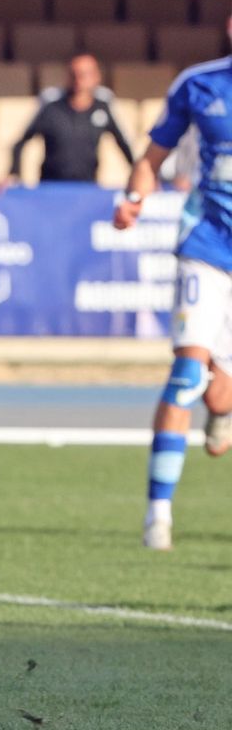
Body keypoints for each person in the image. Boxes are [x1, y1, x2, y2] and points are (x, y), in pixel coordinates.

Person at [113, 33, 232, 550]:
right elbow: (151, 157)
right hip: (206, 243)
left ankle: (223, 406)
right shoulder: (200, 84)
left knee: (219, 390)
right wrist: (135, 197)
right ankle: (157, 514)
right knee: (186, 372)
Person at [0, 53, 136, 188]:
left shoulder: (104, 106)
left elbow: (123, 143)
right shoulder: (51, 106)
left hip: (88, 188)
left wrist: (139, 177)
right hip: (50, 188)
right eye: (74, 73)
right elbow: (21, 142)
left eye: (85, 74)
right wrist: (14, 173)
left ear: (96, 77)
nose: (79, 79)